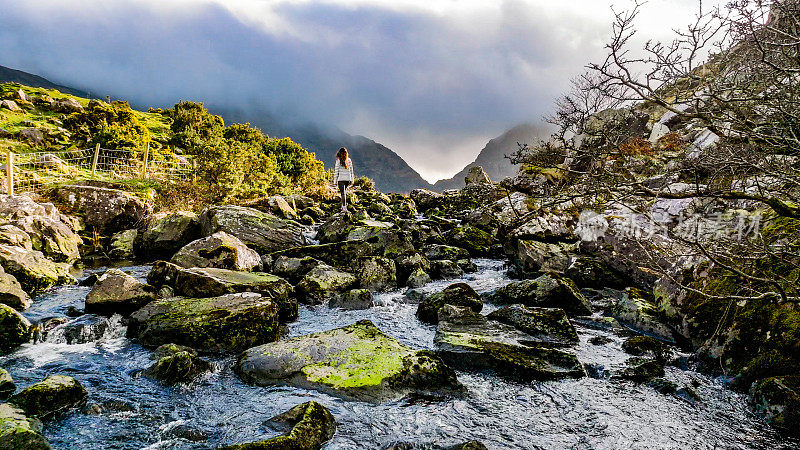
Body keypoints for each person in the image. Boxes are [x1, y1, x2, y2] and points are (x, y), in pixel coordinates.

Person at [334, 147, 355, 212]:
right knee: (344, 193)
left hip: (341, 180)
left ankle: (344, 207)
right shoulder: (349, 160)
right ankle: (343, 206)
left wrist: (335, 181)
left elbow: (336, 172)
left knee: (343, 193)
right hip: (347, 180)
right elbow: (351, 171)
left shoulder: (338, 161)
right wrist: (352, 179)